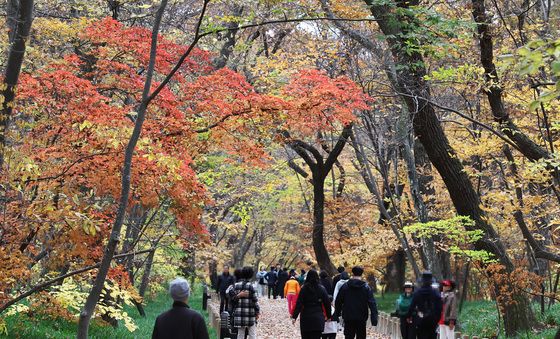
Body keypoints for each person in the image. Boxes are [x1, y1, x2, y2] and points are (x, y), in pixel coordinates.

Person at [334, 266, 378, 339]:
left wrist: (338, 313)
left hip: (348, 316)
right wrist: (374, 318)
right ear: (361, 274)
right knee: (361, 336)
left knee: (348, 336)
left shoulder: (345, 286)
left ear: (353, 274)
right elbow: (372, 303)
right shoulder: (366, 287)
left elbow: (338, 301)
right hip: (361, 316)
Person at [291, 270, 332, 339]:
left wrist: (294, 316)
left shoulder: (304, 288)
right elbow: (327, 303)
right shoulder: (321, 289)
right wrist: (328, 316)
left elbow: (299, 303)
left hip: (306, 317)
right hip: (318, 317)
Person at [406, 271, 442, 339]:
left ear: (422, 281)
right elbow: (439, 308)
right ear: (431, 281)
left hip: (421, 319)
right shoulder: (436, 293)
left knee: (421, 336)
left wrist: (408, 316)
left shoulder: (417, 293)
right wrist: (437, 319)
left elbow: (412, 306)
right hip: (433, 320)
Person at [230, 266, 260, 339]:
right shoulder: (251, 286)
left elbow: (232, 299)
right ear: (251, 275)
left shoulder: (236, 286)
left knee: (240, 334)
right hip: (250, 313)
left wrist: (238, 296)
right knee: (252, 334)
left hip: (239, 313)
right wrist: (257, 311)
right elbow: (255, 301)